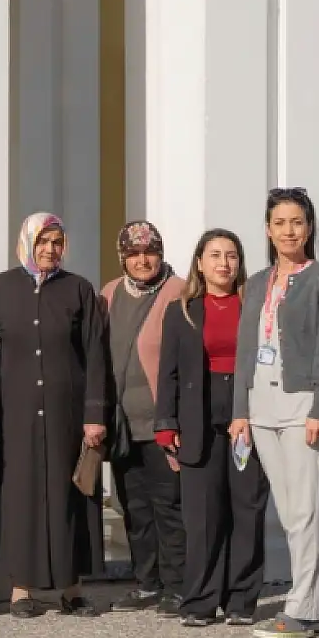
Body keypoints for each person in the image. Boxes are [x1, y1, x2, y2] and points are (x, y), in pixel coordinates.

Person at [232, 187, 319, 638]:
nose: (288, 231)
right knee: (287, 511)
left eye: (296, 222)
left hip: (303, 407)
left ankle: (301, 609)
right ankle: (314, 609)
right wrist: (240, 411)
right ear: (267, 229)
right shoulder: (257, 281)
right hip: (261, 409)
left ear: (309, 226)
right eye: (279, 223)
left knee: (304, 511)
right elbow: (246, 348)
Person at [0, 213, 109, 619]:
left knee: (69, 494)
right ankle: (21, 591)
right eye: (43, 242)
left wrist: (95, 414)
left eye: (56, 242)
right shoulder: (0, 288)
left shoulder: (79, 289)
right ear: (27, 242)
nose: (50, 250)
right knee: (20, 496)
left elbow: (95, 355)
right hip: (16, 415)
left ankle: (72, 589)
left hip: (66, 415)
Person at [154, 230, 268, 627]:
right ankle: (201, 601)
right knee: (201, 518)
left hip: (247, 418)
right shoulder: (181, 309)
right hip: (196, 420)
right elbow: (167, 371)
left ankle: (240, 601)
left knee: (246, 511)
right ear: (199, 263)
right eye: (215, 255)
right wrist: (165, 426)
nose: (224, 263)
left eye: (232, 255)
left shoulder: (256, 305)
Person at [101, 221, 188, 615]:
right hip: (123, 423)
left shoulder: (180, 291)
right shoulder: (108, 294)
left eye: (149, 251)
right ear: (123, 257)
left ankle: (178, 585)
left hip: (163, 421)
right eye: (133, 253)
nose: (142, 260)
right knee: (132, 505)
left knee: (168, 505)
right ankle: (146, 581)